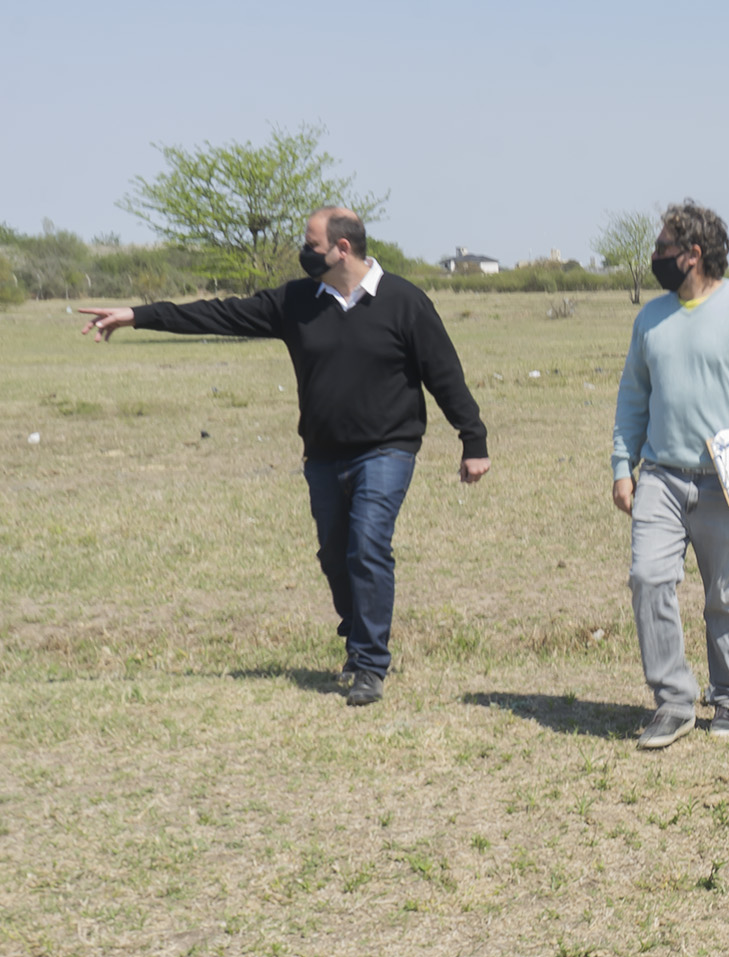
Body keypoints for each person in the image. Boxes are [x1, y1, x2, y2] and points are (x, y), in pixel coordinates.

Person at [79, 209, 489, 704]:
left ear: (342, 249)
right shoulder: (297, 301)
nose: (303, 252)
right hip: (323, 454)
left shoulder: (404, 301)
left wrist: (473, 440)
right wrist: (139, 315)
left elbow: (444, 373)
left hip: (387, 449)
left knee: (367, 547)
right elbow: (219, 314)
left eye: (311, 245)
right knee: (335, 555)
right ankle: (358, 632)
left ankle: (369, 664)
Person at [612, 200, 729, 749]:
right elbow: (632, 398)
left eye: (662, 247)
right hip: (661, 477)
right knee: (648, 579)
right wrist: (623, 466)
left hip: (728, 482)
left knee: (727, 595)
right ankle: (673, 701)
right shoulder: (650, 319)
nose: (654, 256)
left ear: (692, 254)